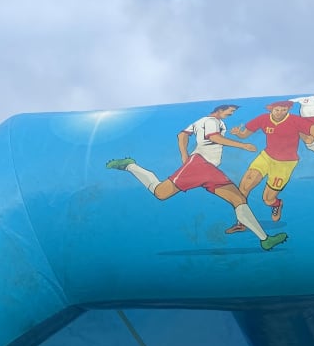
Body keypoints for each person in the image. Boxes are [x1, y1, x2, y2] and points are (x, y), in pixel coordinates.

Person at [106, 104, 288, 251]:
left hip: (208, 168)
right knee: (160, 193)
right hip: (200, 165)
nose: (230, 115)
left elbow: (182, 135)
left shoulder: (201, 121)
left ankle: (265, 240)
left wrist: (184, 155)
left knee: (238, 198)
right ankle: (130, 165)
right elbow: (214, 138)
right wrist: (243, 146)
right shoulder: (212, 121)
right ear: (220, 110)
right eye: (230, 112)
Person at [224, 101, 314, 231]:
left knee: (267, 199)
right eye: (277, 110)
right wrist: (238, 133)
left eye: (284, 110)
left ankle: (277, 204)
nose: (280, 113)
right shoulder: (263, 119)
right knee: (244, 187)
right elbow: (244, 134)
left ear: (288, 109)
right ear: (271, 109)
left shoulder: (294, 120)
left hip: (285, 163)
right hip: (266, 157)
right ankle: (241, 222)